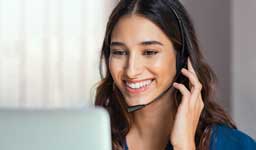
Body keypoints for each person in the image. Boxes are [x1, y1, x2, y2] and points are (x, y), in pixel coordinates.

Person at [95, 0, 256, 149]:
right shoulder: (89, 138)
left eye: (150, 52)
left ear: (181, 57)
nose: (131, 70)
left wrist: (184, 146)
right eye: (119, 52)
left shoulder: (235, 145)